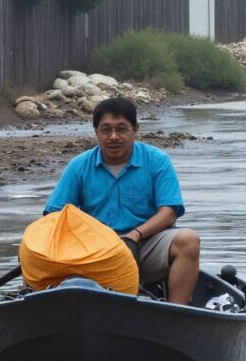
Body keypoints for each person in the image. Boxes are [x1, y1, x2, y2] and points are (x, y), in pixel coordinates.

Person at [43, 96, 203, 304]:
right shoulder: (79, 166)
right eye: (106, 129)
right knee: (34, 245)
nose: (113, 137)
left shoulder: (157, 160)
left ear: (135, 129)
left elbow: (169, 212)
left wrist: (134, 235)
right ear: (96, 132)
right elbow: (54, 216)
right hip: (93, 250)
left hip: (145, 243)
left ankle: (178, 313)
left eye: (121, 129)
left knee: (188, 240)